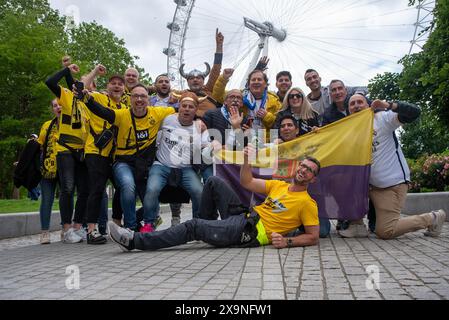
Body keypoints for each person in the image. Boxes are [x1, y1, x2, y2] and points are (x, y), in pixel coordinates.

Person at [108, 151, 321, 251]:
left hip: (250, 231)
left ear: (314, 178)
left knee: (193, 226)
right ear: (298, 167)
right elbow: (246, 181)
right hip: (244, 216)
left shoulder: (307, 203)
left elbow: (313, 237)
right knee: (212, 181)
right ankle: (207, 228)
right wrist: (246, 161)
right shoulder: (280, 185)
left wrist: (287, 241)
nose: (304, 171)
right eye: (303, 166)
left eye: (310, 171)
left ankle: (134, 241)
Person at [338, 94, 446, 239]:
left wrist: (389, 105)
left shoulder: (383, 118)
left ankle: (432, 218)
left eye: (360, 102)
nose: (356, 105)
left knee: (385, 231)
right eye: (352, 104)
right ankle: (356, 225)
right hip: (368, 186)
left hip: (390, 185)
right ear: (348, 110)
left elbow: (415, 112)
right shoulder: (349, 130)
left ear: (368, 105)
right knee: (341, 178)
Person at [79, 84, 175, 232]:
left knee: (152, 190)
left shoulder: (158, 112)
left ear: (148, 100)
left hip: (144, 165)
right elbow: (102, 111)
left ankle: (149, 225)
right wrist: (86, 99)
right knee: (128, 186)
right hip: (123, 162)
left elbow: (185, 110)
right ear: (130, 99)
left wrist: (200, 121)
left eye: (143, 96)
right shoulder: (121, 115)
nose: (139, 99)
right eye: (135, 96)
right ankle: (130, 227)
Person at [144, 92, 210, 230]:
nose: (186, 109)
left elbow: (206, 149)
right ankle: (149, 223)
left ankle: (197, 225)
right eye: (184, 106)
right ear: (178, 107)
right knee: (152, 189)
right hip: (161, 165)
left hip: (185, 168)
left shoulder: (200, 128)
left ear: (196, 110)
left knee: (199, 192)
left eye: (191, 107)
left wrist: (214, 145)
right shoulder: (166, 120)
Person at [80, 64, 128, 244]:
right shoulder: (99, 97)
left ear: (124, 89)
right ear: (107, 86)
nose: (117, 86)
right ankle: (91, 231)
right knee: (97, 189)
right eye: (113, 83)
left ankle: (116, 223)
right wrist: (94, 72)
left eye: (120, 84)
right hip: (95, 152)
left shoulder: (124, 105)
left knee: (124, 187)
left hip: (114, 155)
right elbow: (81, 88)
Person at [45, 64, 89, 244]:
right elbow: (50, 82)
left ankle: (78, 227)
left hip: (82, 151)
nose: (80, 86)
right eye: (77, 83)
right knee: (68, 188)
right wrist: (66, 70)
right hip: (65, 150)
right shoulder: (66, 96)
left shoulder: (86, 103)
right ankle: (66, 228)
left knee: (84, 190)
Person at [273, 115, 331, 238]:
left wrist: (319, 136)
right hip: (286, 203)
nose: (286, 128)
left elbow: (328, 145)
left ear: (297, 130)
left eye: (290, 125)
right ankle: (294, 225)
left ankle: (298, 225)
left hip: (309, 200)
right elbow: (250, 153)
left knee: (323, 231)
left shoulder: (307, 146)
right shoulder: (274, 148)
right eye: (282, 126)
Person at [149, 73, 181, 226]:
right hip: (151, 146)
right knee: (152, 182)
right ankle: (154, 217)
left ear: (170, 85)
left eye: (166, 82)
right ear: (155, 85)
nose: (163, 84)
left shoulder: (178, 102)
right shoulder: (148, 101)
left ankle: (176, 217)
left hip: (172, 145)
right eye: (160, 81)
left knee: (174, 181)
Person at [175, 29, 224, 117]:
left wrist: (219, 46)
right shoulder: (182, 94)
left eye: (198, 78)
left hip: (211, 126)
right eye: (191, 78)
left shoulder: (209, 89)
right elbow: (165, 89)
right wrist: (149, 88)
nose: (195, 80)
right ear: (187, 81)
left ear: (203, 80)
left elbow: (216, 71)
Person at [36, 100, 61, 244]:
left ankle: (66, 229)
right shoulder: (47, 125)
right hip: (48, 167)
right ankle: (45, 232)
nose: (58, 107)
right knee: (47, 199)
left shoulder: (71, 123)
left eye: (60, 104)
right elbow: (39, 145)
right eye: (55, 105)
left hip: (66, 167)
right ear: (52, 109)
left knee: (66, 196)